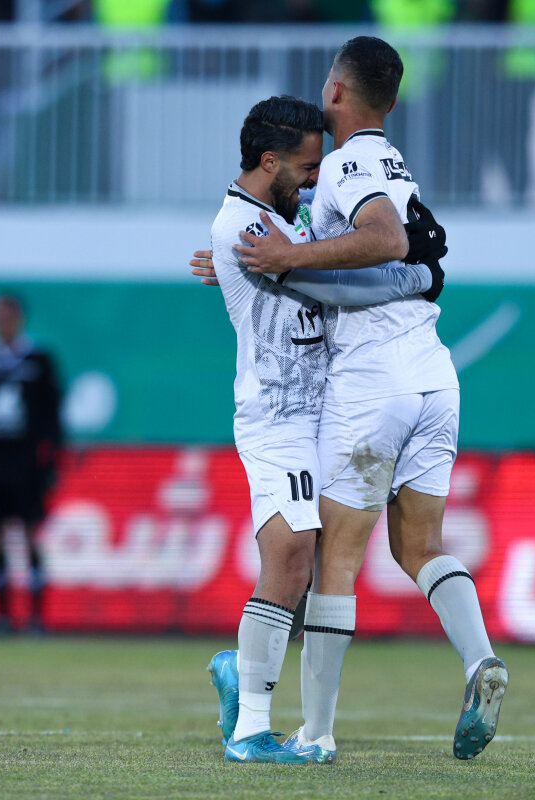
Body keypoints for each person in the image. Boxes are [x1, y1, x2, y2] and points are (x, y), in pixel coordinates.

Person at [224, 36, 509, 762]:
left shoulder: (350, 162)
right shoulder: (391, 162)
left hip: (374, 379)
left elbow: (383, 239)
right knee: (420, 547)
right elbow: (413, 254)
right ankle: (480, 660)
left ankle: (315, 734)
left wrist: (288, 259)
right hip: (434, 373)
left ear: (336, 91)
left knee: (337, 560)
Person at [202, 94, 440, 764]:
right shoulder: (240, 228)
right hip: (277, 417)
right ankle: (250, 732)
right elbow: (315, 276)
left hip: (331, 409)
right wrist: (416, 274)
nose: (316, 178)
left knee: (318, 566)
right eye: (307, 167)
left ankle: (241, 670)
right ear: (269, 161)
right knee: (290, 556)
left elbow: (320, 263)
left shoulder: (290, 216)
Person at [0, 294, 63, 635]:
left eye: (7, 317)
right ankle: (1, 616)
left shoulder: (38, 361)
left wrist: (52, 460)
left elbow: (53, 414)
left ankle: (36, 617)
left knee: (31, 533)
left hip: (26, 462)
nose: (1, 324)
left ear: (19, 319)